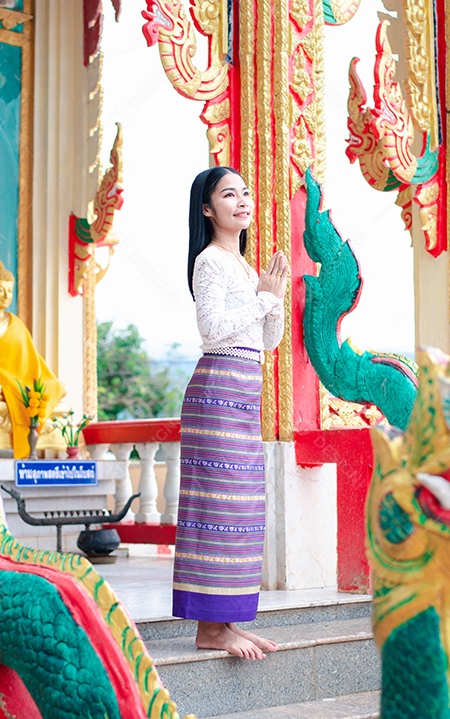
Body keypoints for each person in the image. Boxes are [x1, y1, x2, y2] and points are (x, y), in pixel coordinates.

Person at [171, 166, 288, 660]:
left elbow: (268, 341)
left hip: (245, 390)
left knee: (241, 510)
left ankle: (228, 622)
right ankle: (211, 628)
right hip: (217, 387)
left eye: (244, 193)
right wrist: (264, 298)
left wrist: (275, 300)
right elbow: (214, 329)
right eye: (228, 194)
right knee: (216, 509)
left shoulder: (244, 266)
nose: (241, 200)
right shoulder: (210, 261)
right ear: (207, 208)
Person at [0, 245, 66, 458]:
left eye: (9, 290)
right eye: (0, 289)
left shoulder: (15, 323)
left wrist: (40, 381)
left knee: (59, 387)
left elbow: (31, 360)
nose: (6, 295)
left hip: (22, 380)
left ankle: (29, 419)